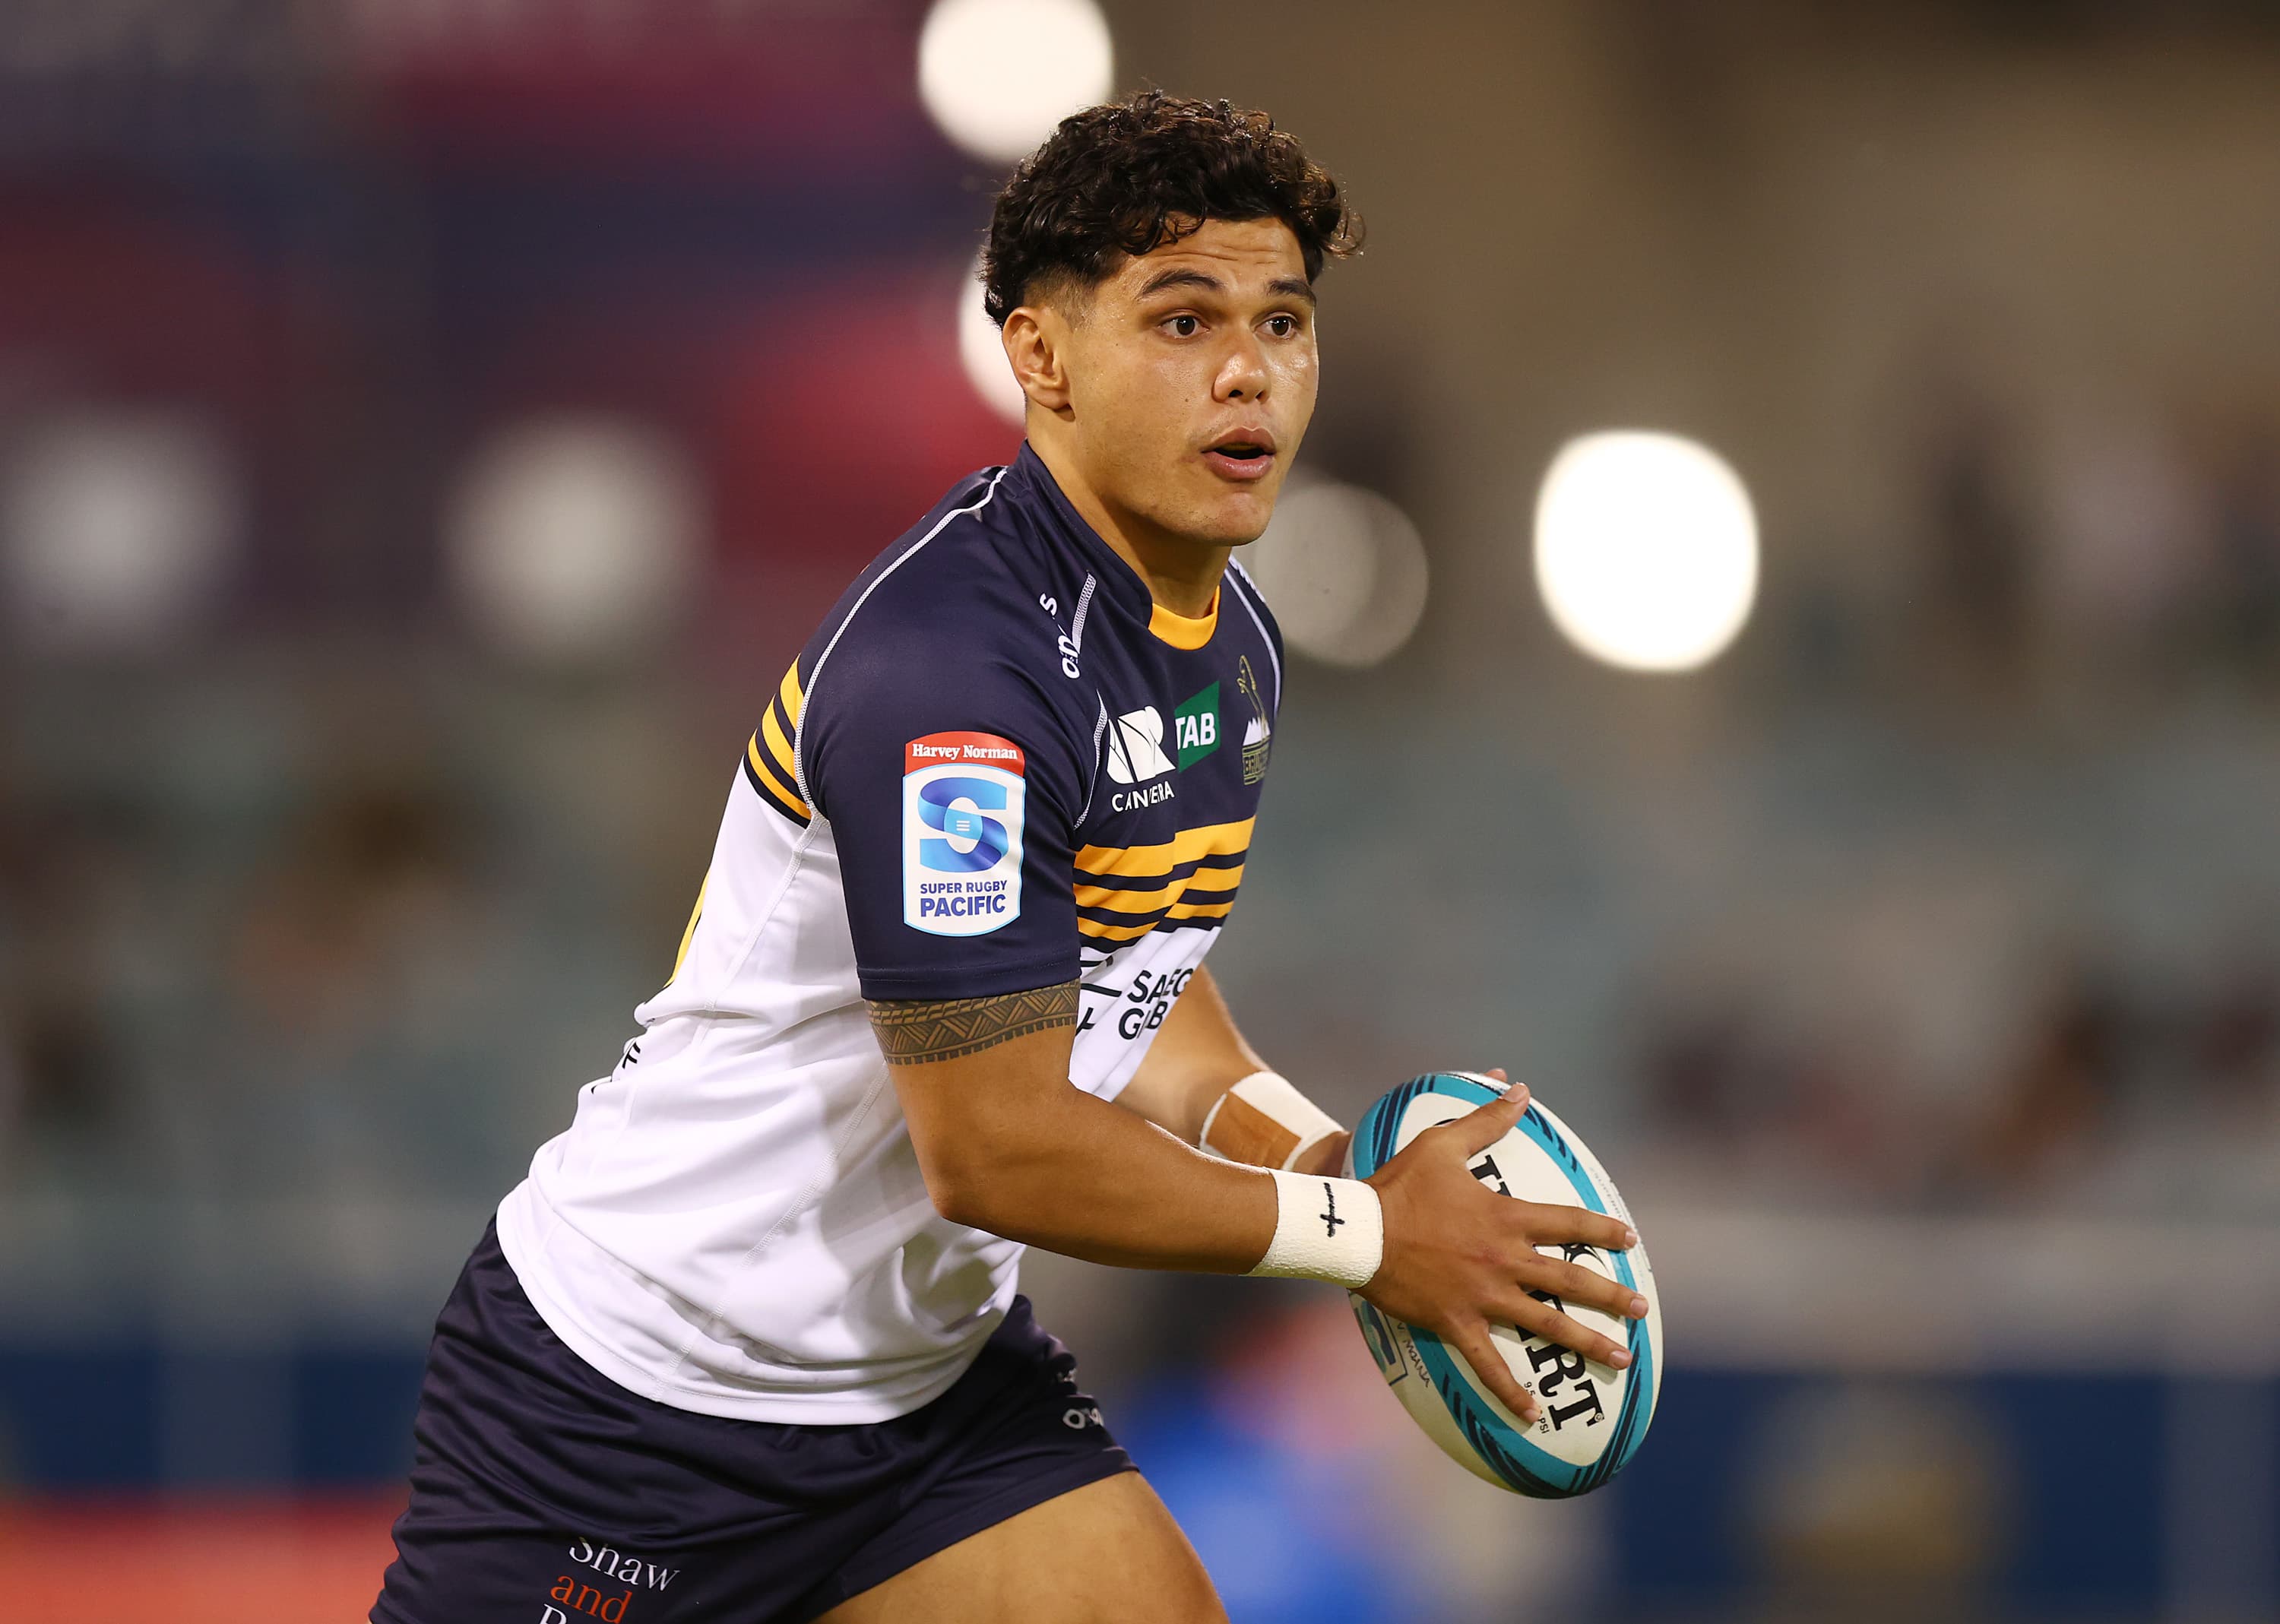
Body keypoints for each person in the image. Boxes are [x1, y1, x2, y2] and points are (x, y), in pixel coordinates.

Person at [372, 90, 1644, 1624]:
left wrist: (1314, 1153)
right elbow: (1002, 1146)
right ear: (1037, 354)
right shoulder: (952, 677)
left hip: (924, 1401)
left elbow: (1138, 973)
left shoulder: (1226, 641)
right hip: (639, 1401)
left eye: (1283, 322)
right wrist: (1368, 1234)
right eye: (1182, 321)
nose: (1248, 370)